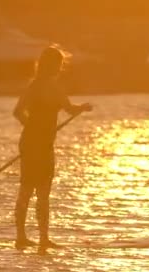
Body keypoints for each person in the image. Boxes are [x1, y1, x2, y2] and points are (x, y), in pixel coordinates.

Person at [13, 45, 92, 250]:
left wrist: (82, 108)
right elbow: (18, 112)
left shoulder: (56, 88)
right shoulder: (34, 87)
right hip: (31, 144)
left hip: (45, 144)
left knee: (44, 193)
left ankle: (43, 238)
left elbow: (69, 109)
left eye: (60, 63)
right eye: (56, 63)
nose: (59, 67)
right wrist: (32, 128)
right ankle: (21, 236)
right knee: (26, 190)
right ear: (48, 65)